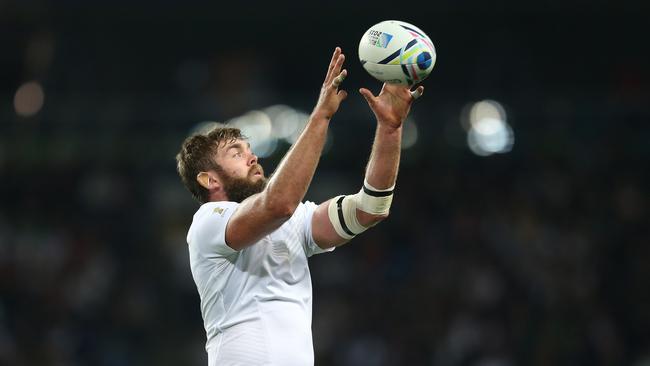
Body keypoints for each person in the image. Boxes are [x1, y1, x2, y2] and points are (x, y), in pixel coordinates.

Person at [175, 47, 424, 365]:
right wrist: (320, 117)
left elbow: (370, 209)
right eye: (236, 153)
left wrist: (390, 130)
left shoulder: (296, 219)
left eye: (249, 149)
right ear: (209, 180)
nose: (252, 156)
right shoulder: (207, 223)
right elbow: (278, 204)